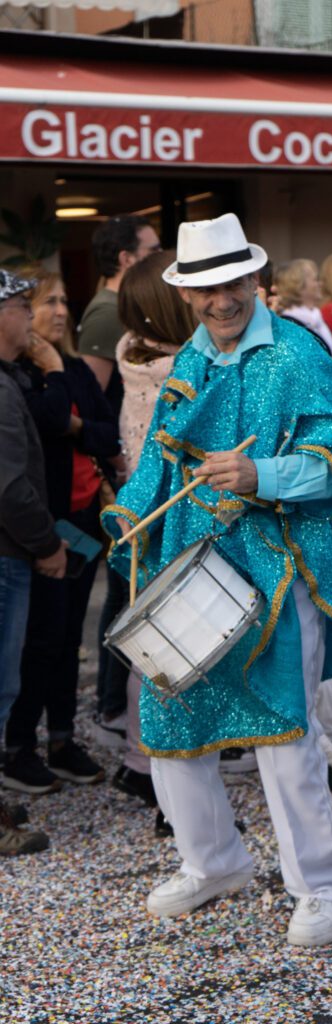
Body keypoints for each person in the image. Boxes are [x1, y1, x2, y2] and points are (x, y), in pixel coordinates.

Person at [101, 213, 332, 945]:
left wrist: (262, 473)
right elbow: (160, 459)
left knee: (283, 733)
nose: (222, 300)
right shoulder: (189, 358)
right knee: (169, 718)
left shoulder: (297, 353)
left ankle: (322, 886)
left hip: (278, 566)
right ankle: (212, 860)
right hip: (193, 564)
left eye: (233, 283)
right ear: (186, 293)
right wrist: (128, 514)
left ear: (254, 278)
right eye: (207, 288)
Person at [3, 270, 119, 794]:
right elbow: (49, 421)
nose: (55, 311)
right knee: (38, 643)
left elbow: (105, 430)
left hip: (83, 525)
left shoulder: (70, 367)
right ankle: (20, 745)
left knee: (69, 638)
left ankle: (63, 737)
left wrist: (73, 417)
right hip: (42, 530)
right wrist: (53, 380)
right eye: (43, 302)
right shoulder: (25, 374)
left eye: (60, 301)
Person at [110, 249, 195, 806]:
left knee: (152, 647)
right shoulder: (180, 374)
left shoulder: (131, 359)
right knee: (170, 656)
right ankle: (160, 775)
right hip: (171, 523)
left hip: (140, 527)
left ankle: (146, 766)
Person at [78, 215, 161, 746]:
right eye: (152, 249)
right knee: (125, 598)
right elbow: (91, 395)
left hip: (126, 474)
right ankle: (115, 710)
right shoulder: (112, 316)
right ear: (128, 260)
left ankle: (120, 713)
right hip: (124, 477)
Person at [0, 269, 67, 853]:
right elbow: (9, 487)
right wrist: (47, 544)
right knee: (0, 687)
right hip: (6, 557)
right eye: (22, 306)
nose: (30, 317)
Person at [273, 258, 332, 355]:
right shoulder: (289, 325)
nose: (320, 284)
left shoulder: (316, 318)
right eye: (316, 279)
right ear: (298, 286)